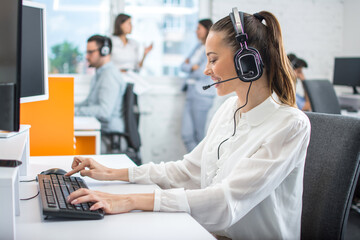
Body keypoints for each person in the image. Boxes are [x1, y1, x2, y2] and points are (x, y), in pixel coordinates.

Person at [66, 9, 311, 239]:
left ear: (246, 61)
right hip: (208, 232)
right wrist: (112, 173)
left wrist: (130, 200)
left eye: (213, 59)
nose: (206, 70)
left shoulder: (290, 125)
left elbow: (226, 203)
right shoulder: (230, 110)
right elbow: (187, 172)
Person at [75, 35, 126, 152]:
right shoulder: (99, 74)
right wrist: (67, 108)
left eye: (90, 52)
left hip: (110, 139)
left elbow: (104, 111)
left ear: (105, 52)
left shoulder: (109, 76)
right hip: (102, 133)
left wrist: (74, 112)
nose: (87, 57)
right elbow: (88, 103)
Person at [180, 19, 216, 152]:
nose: (196, 31)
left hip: (202, 95)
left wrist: (191, 67)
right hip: (190, 92)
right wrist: (192, 67)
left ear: (207, 29)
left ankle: (202, 168)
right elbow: (182, 66)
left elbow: (203, 72)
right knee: (186, 135)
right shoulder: (197, 47)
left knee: (199, 136)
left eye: (199, 28)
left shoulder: (212, 48)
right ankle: (195, 166)